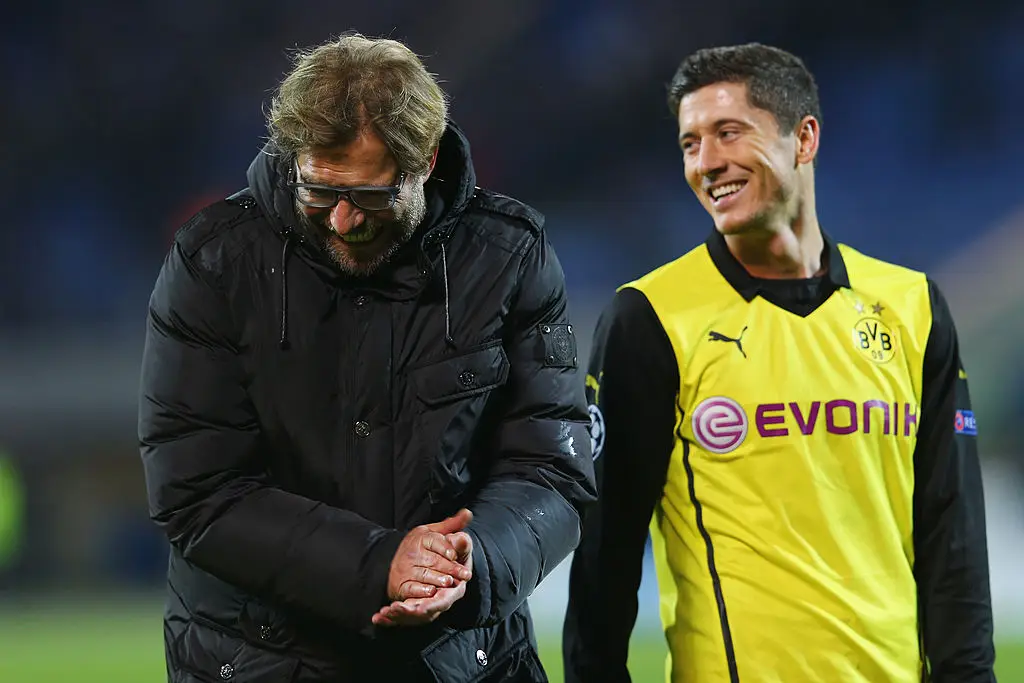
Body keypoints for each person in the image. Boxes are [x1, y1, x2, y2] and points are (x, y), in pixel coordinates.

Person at [138, 33, 595, 683]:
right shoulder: (214, 262)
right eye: (321, 191)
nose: (345, 221)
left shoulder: (509, 257)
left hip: (466, 659)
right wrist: (381, 563)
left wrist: (474, 563)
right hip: (260, 660)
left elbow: (554, 466)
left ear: (428, 161)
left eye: (374, 197)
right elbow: (198, 490)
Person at [563, 43, 996, 682]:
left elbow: (951, 534)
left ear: (804, 139)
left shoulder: (912, 307)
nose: (707, 163)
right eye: (690, 144)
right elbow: (606, 556)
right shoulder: (652, 319)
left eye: (728, 133)